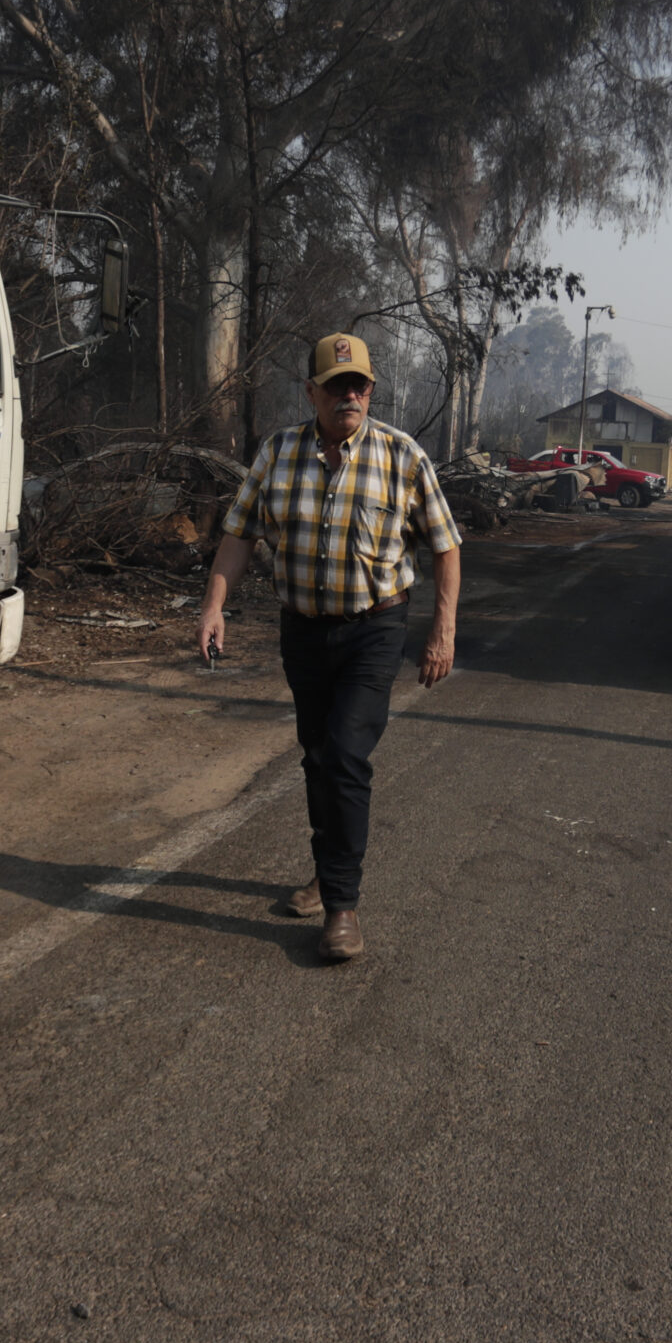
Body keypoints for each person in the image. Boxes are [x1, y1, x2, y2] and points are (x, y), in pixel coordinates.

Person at [197, 333, 462, 962]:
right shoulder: (278, 452)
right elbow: (239, 534)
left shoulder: (402, 455)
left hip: (375, 630)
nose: (350, 395)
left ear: (371, 391)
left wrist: (442, 629)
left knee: (345, 753)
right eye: (337, 385)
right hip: (304, 632)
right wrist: (213, 606)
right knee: (318, 756)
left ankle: (342, 907)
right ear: (311, 391)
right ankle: (326, 871)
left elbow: (446, 545)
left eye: (360, 386)